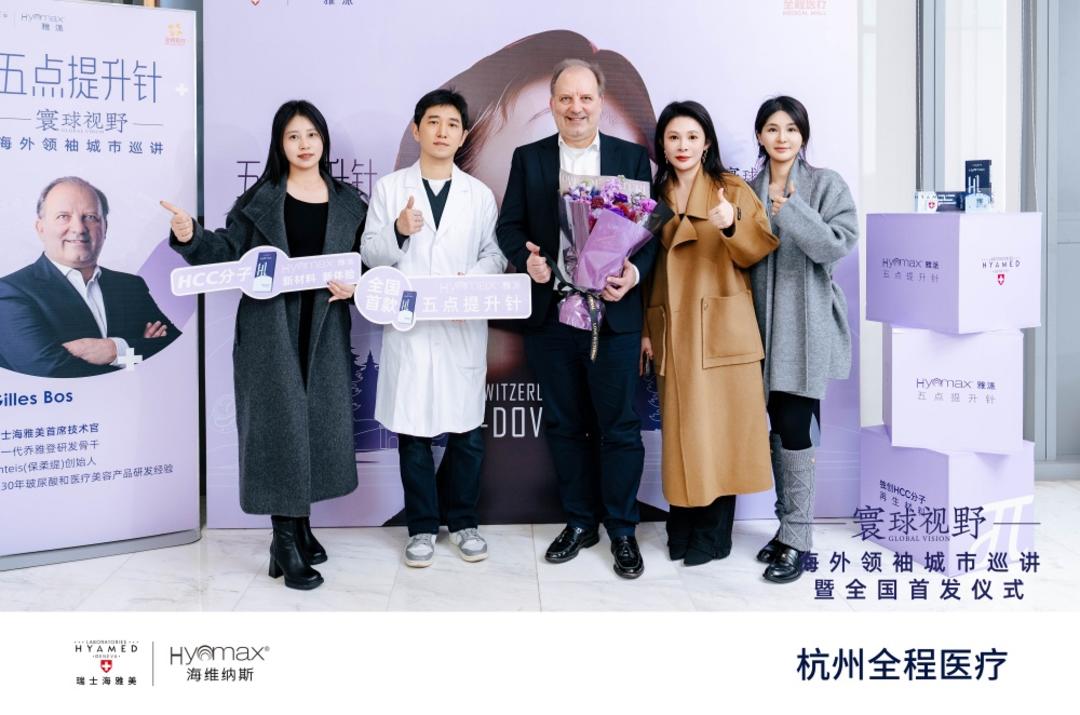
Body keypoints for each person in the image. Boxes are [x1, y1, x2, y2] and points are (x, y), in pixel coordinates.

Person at [162, 100, 368, 591]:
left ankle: (301, 525)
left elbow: (367, 258)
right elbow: (225, 252)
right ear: (280, 144)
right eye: (293, 136)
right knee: (279, 430)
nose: (304, 144)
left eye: (312, 134)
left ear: (324, 140)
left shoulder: (348, 201)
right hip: (269, 329)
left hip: (323, 325)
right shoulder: (260, 200)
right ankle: (284, 541)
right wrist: (190, 236)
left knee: (313, 425)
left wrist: (358, 284)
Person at [497, 58, 656, 579]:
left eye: (586, 97)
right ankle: (580, 522)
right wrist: (528, 261)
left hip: (613, 316)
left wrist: (633, 274)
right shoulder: (530, 158)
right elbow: (509, 227)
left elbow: (653, 233)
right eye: (566, 98)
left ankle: (623, 531)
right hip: (552, 316)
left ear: (600, 102)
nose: (576, 107)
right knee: (566, 426)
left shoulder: (631, 158)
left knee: (620, 428)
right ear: (552, 104)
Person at [361, 88, 506, 568]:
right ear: (416, 129)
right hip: (410, 329)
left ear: (463, 136)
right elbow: (371, 255)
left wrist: (472, 284)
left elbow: (494, 254)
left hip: (461, 326)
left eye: (452, 124)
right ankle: (422, 528)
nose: (442, 132)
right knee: (413, 433)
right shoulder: (390, 189)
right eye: (433, 122)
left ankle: (463, 523)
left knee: (467, 433)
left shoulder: (478, 194)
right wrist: (399, 230)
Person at [641, 101, 779, 566]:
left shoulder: (730, 190)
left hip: (722, 327)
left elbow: (758, 249)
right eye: (673, 137)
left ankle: (714, 534)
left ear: (707, 144)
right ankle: (682, 523)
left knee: (721, 431)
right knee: (683, 431)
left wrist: (731, 224)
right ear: (662, 145)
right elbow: (640, 265)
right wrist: (646, 329)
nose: (682, 146)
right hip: (673, 328)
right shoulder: (652, 198)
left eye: (692, 137)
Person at [748, 95, 859, 584]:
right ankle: (786, 527)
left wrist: (792, 210)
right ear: (759, 136)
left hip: (805, 327)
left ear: (803, 136)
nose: (782, 137)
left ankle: (798, 539)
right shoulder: (745, 189)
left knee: (797, 430)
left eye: (791, 129)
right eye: (772, 128)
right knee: (775, 429)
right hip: (755, 326)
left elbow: (836, 245)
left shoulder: (825, 184)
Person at [0, 177, 179, 378]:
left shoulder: (130, 287)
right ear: (41, 228)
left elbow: (176, 349)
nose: (79, 228)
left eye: (91, 217)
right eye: (63, 216)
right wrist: (138, 352)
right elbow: (50, 371)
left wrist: (115, 350)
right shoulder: (9, 293)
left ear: (105, 227)